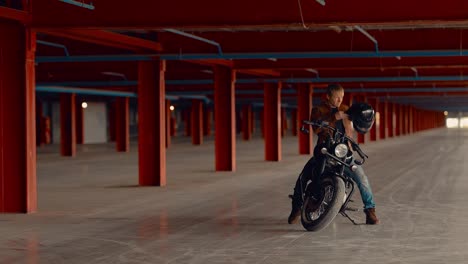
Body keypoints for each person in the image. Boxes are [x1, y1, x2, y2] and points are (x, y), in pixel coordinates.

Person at [288, 84, 380, 225]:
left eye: (341, 97)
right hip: (325, 150)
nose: (339, 100)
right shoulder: (318, 110)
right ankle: (296, 208)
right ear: (328, 96)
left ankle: (370, 211)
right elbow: (317, 128)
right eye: (337, 97)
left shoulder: (345, 109)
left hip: (343, 151)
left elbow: (351, 127)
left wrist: (353, 137)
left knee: (362, 178)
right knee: (303, 177)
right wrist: (334, 117)